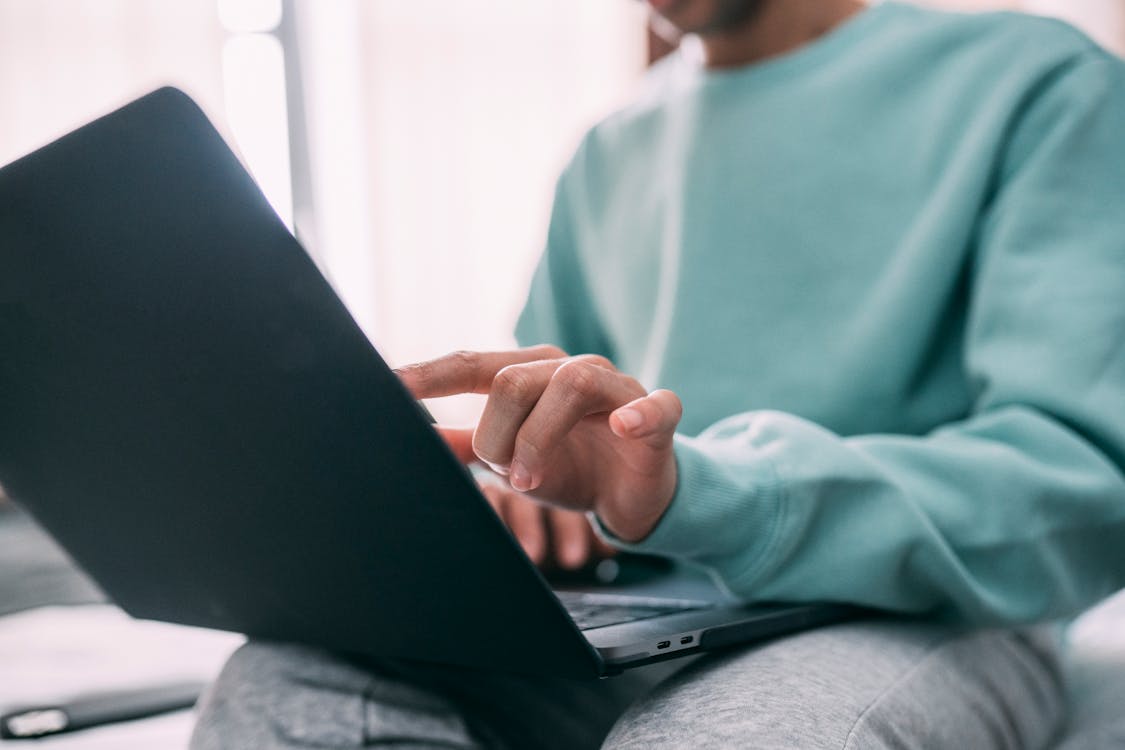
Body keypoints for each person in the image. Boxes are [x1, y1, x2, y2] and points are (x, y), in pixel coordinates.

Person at [192, 0, 1125, 747]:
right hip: (636, 606)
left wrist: (709, 493)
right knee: (283, 687)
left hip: (933, 611)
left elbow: (1083, 484)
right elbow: (556, 452)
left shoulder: (1038, 84)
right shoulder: (608, 151)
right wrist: (514, 495)